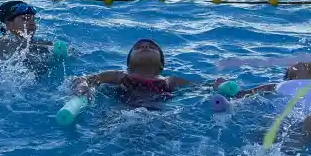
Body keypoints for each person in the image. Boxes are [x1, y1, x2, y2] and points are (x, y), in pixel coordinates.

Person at [72, 38, 220, 108]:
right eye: (139, 47)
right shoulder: (120, 75)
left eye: (151, 47)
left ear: (161, 64)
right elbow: (86, 79)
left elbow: (202, 88)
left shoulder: (171, 81)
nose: (145, 46)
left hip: (159, 114)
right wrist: (83, 87)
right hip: (124, 111)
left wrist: (219, 84)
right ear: (129, 64)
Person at [235, 61, 311, 142]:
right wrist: (224, 86)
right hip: (285, 120)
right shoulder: (276, 85)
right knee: (273, 122)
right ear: (289, 75)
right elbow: (243, 94)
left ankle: (297, 142)